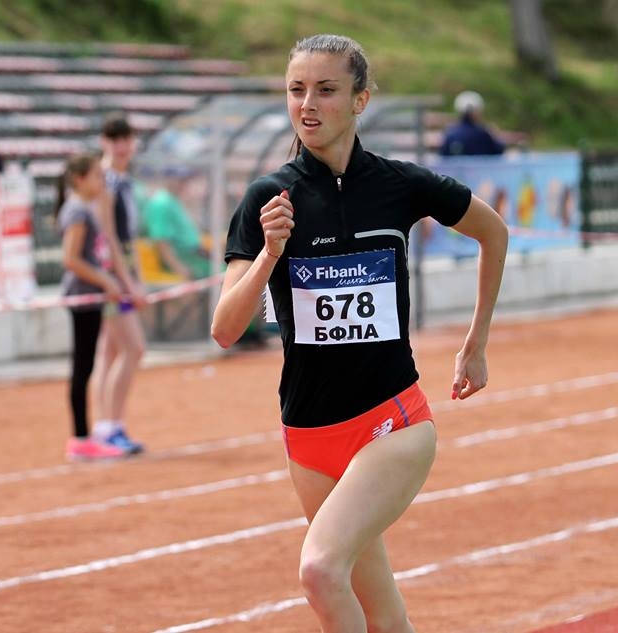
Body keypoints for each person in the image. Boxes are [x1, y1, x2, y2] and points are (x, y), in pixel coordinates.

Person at [212, 34, 508, 633]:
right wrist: (269, 254)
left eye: (326, 89)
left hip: (392, 420)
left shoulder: (400, 184)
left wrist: (476, 342)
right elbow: (224, 329)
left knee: (321, 570)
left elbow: (493, 232)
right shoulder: (268, 198)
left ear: (360, 100)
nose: (308, 104)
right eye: (296, 90)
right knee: (383, 612)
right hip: (308, 434)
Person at [55, 152, 138, 461]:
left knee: (86, 365)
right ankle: (80, 437)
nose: (101, 182)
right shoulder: (77, 210)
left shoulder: (82, 208)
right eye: (95, 176)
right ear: (80, 179)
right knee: (82, 367)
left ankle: (84, 436)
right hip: (83, 295)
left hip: (89, 294)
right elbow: (71, 259)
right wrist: (106, 280)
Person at [91, 112, 148, 454]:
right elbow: (109, 237)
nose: (122, 146)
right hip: (110, 274)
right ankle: (110, 427)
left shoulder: (121, 180)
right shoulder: (106, 181)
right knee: (132, 348)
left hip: (115, 270)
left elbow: (127, 238)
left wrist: (136, 277)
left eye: (126, 139)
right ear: (104, 142)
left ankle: (104, 426)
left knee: (110, 351)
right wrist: (128, 282)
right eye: (115, 139)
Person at [141, 167, 211, 280]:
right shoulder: (161, 202)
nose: (182, 183)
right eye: (179, 179)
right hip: (183, 259)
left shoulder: (173, 199)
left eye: (184, 180)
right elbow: (161, 241)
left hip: (193, 255)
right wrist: (180, 268)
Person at [438, 90, 528, 157]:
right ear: (476, 112)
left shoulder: (450, 134)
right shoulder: (483, 133)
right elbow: (498, 151)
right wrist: (494, 135)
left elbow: (443, 155)